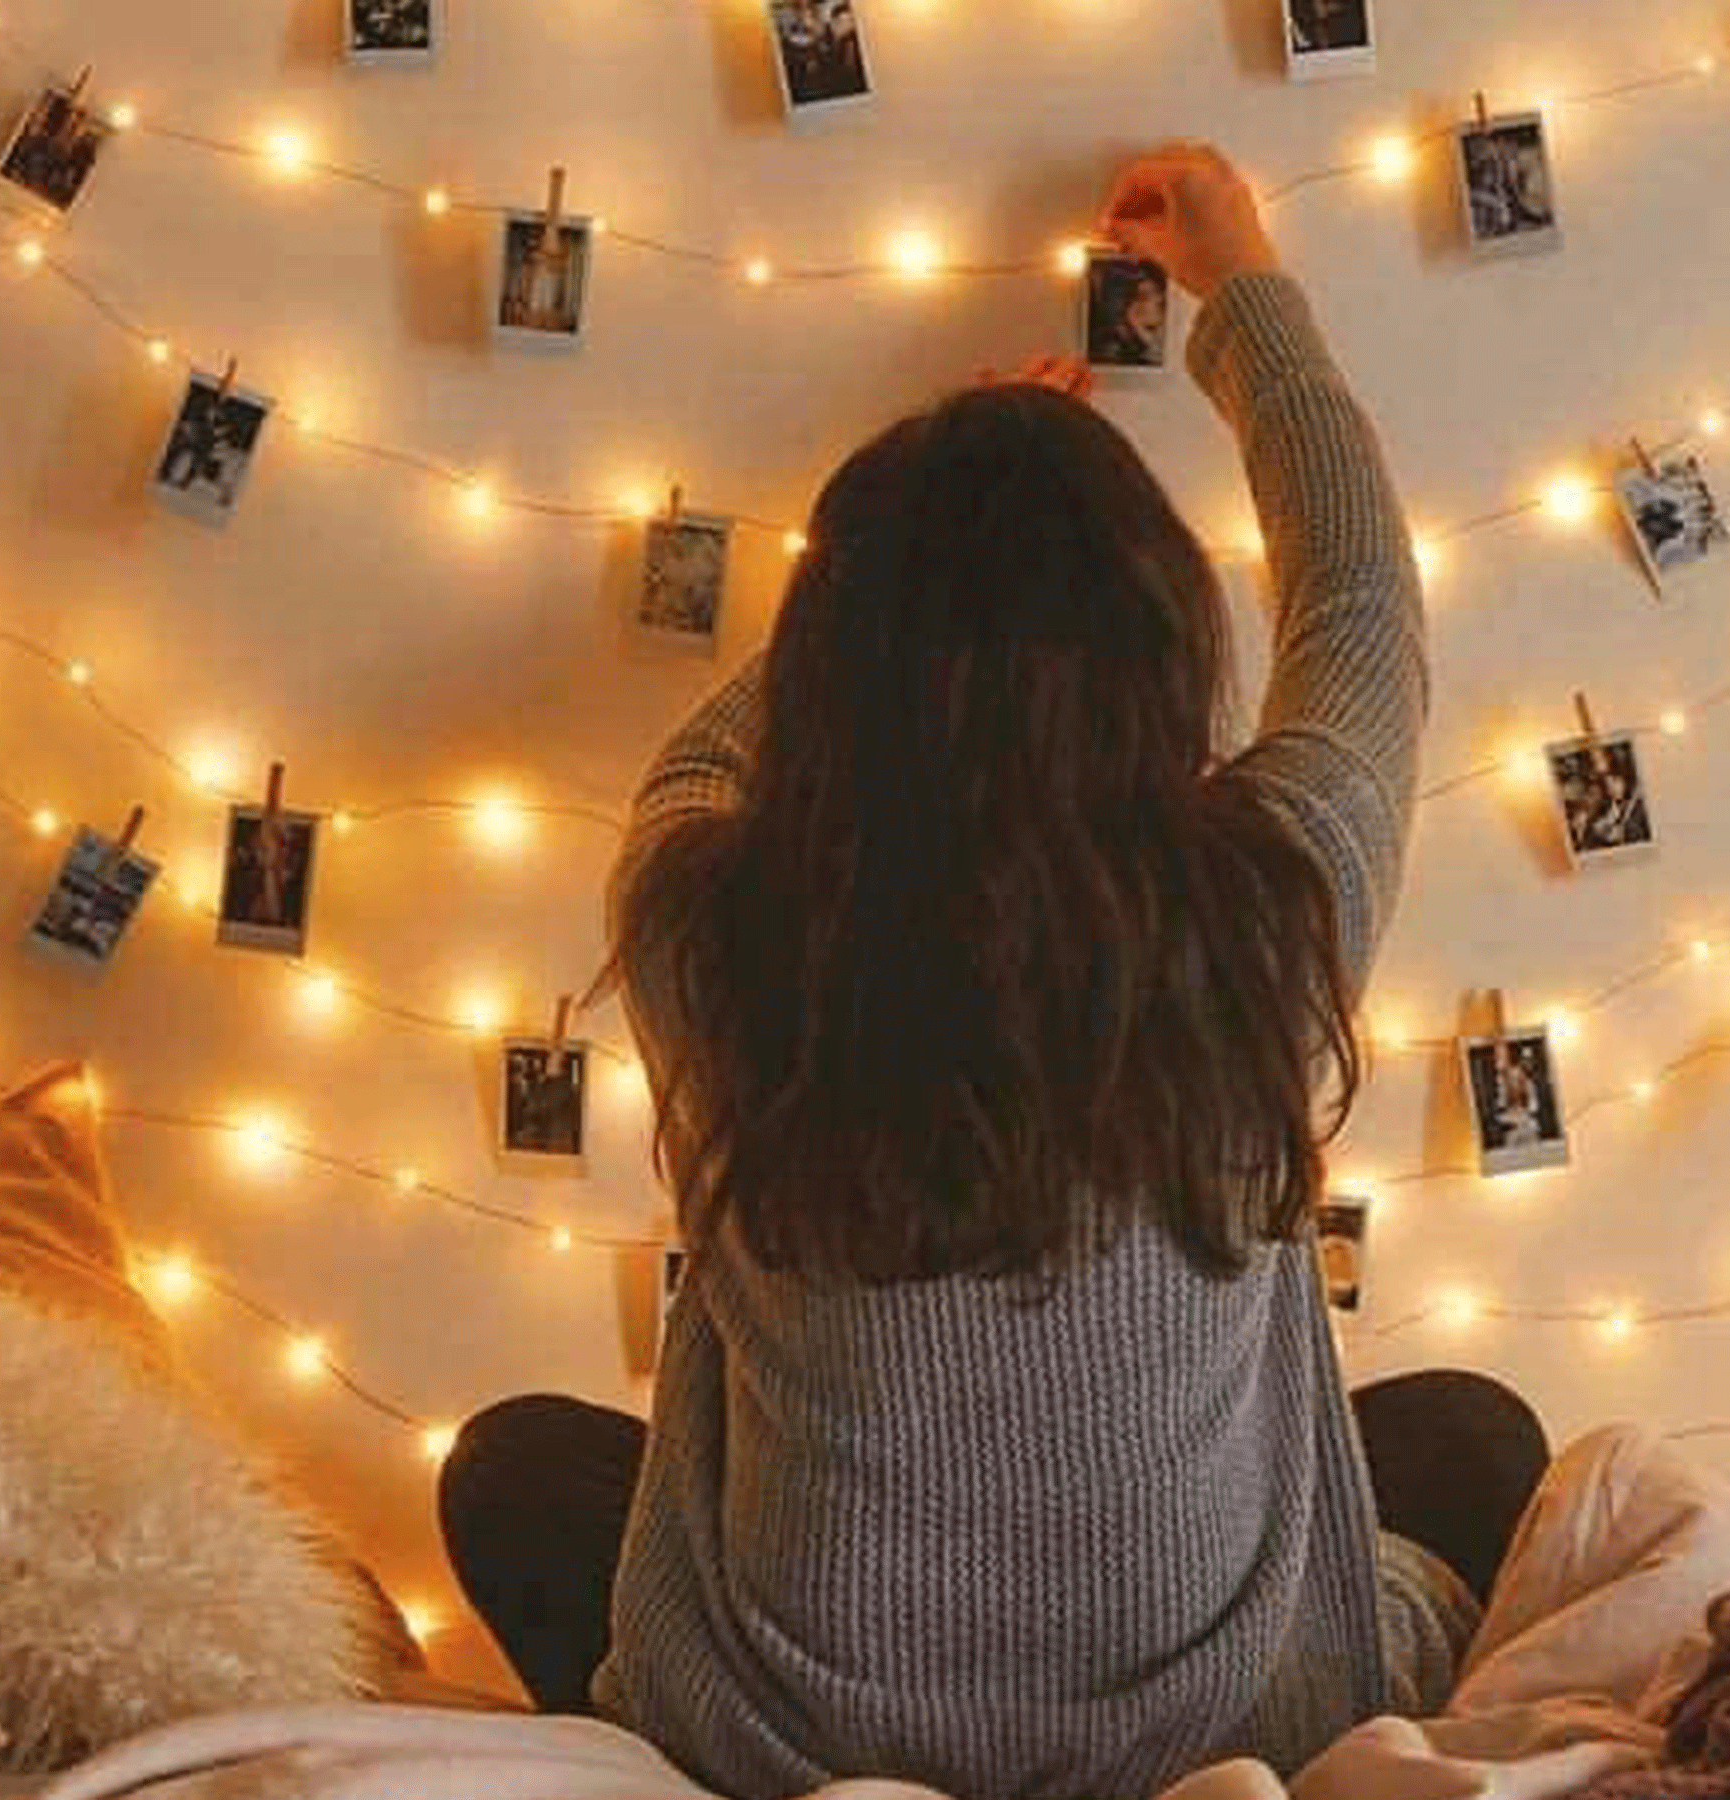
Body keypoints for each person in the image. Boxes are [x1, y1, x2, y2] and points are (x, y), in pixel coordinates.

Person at [440, 144, 1550, 1798]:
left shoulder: (710, 931)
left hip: (794, 1739)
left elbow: (699, 767)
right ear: (1160, 650)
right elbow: (1366, 601)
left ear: (835, 666)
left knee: (512, 1470)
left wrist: (902, 587)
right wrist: (1238, 283)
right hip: (1220, 1738)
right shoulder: (1270, 900)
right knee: (1475, 1439)